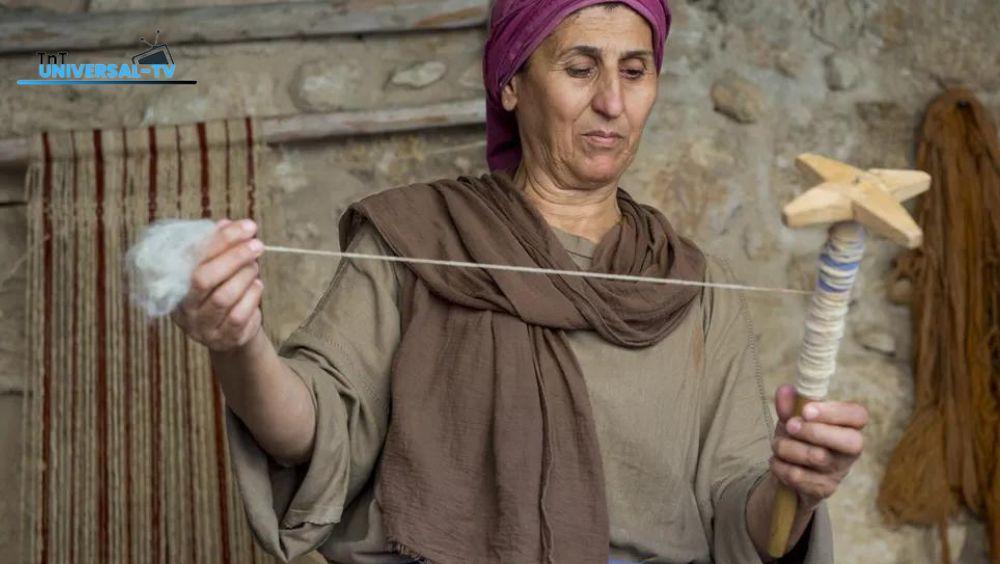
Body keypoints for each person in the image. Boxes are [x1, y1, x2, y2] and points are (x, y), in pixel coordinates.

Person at [171, 1, 868, 562]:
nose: (611, 103)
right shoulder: (420, 239)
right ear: (511, 82)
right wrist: (238, 341)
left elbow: (739, 522)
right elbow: (315, 432)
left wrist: (794, 490)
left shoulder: (692, 285)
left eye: (635, 71)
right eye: (579, 68)